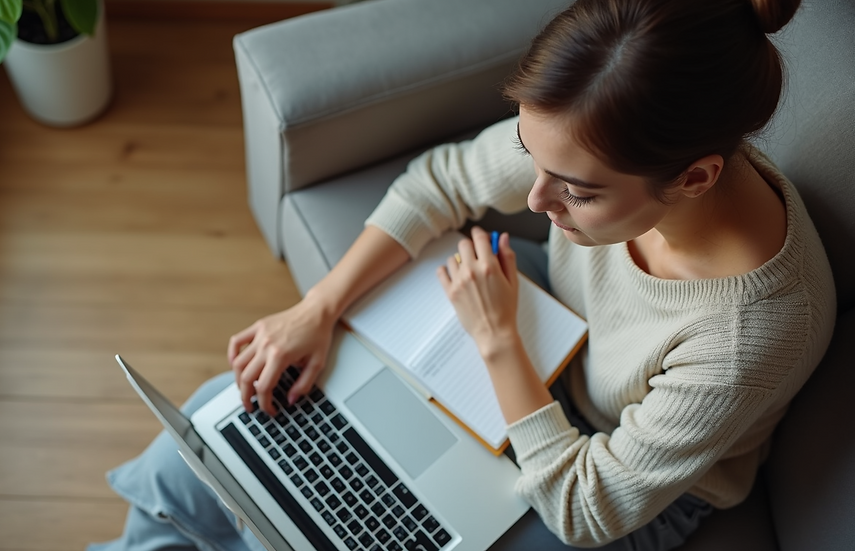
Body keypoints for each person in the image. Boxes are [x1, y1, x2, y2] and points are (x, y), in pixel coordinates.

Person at [90, 0, 837, 549]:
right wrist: (316, 308)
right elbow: (438, 183)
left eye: (574, 192)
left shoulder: (751, 330)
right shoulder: (591, 130)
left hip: (598, 471)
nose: (538, 202)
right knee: (230, 425)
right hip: (541, 331)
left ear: (696, 179)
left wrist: (499, 341)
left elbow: (589, 506)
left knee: (348, 527)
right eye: (531, 156)